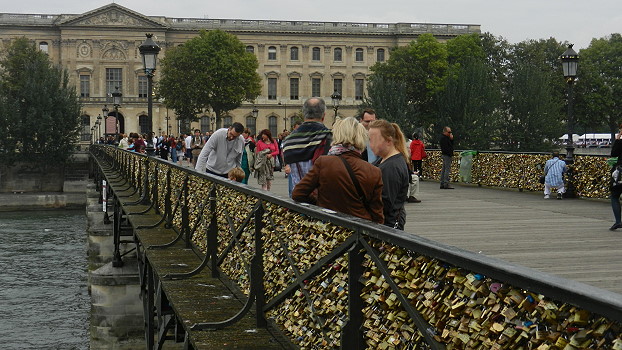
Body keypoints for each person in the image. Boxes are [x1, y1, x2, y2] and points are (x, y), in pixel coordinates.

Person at [292, 117, 384, 223]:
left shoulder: (324, 163)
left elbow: (298, 194)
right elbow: (377, 215)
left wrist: (320, 203)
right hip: (359, 231)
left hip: (330, 229)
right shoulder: (374, 171)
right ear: (362, 138)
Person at [282, 97, 333, 197]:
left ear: (304, 114)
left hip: (298, 198)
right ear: (323, 115)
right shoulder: (329, 138)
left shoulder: (288, 141)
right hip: (323, 200)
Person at [369, 119, 410, 230]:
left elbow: (384, 203)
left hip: (387, 227)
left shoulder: (391, 167)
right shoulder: (385, 160)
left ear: (388, 141)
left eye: (373, 140)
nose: (370, 144)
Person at [610, 129, 622, 230]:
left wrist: (618, 139)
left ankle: (618, 221)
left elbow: (614, 153)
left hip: (620, 174)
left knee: (615, 196)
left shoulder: (621, 142)